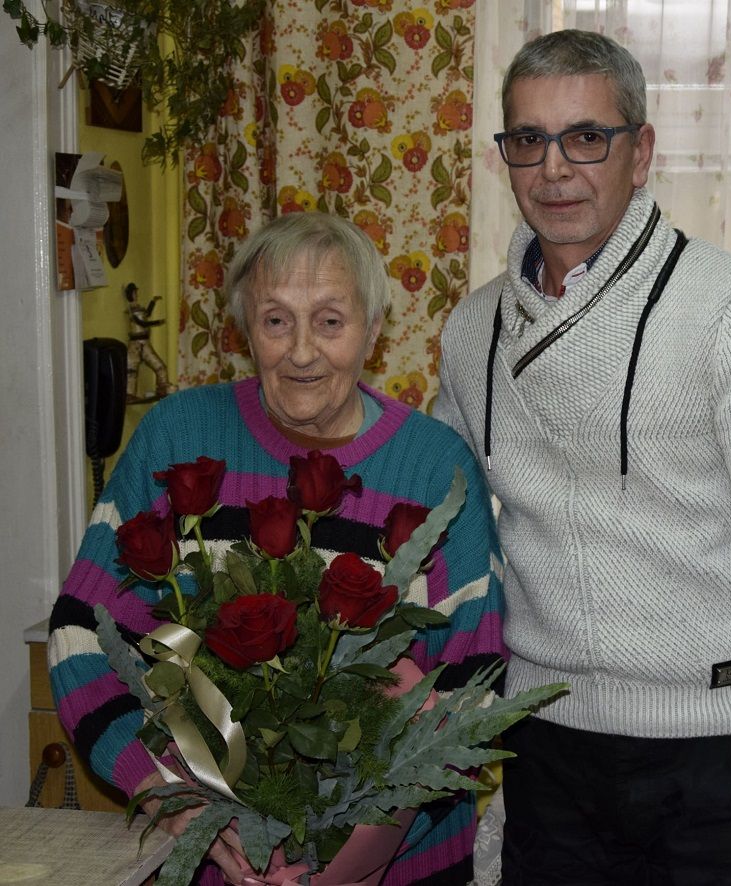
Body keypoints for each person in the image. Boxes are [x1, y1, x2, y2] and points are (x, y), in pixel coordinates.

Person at [434, 29, 731, 886]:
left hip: (719, 755)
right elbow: (441, 529)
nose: (554, 169)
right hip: (545, 747)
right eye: (528, 140)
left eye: (586, 137)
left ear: (642, 151)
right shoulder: (471, 330)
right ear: (506, 156)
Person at [48, 212, 506, 886]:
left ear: (374, 329)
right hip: (210, 863)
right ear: (245, 329)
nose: (301, 351)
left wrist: (352, 849)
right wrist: (169, 796)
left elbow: (478, 688)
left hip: (402, 869)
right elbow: (80, 635)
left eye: (330, 321)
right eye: (275, 321)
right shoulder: (177, 439)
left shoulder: (435, 469)